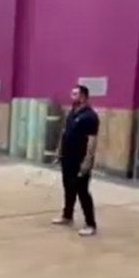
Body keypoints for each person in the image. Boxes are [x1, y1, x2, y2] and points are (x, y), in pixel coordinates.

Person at [52, 84, 100, 237]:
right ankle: (67, 216)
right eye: (71, 93)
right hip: (67, 158)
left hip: (80, 160)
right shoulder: (72, 112)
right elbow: (64, 133)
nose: (71, 96)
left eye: (75, 94)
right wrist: (59, 151)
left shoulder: (90, 117)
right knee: (68, 188)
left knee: (82, 191)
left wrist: (87, 161)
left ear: (83, 96)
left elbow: (92, 141)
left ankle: (91, 224)